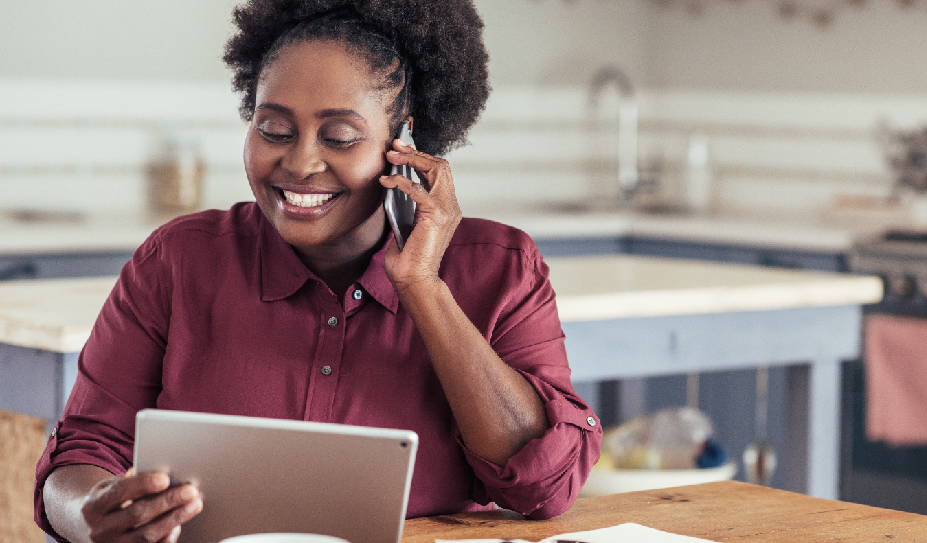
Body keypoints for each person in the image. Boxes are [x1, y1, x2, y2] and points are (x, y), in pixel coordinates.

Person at [35, 1, 602, 542]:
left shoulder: (501, 269)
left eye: (340, 137)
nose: (301, 164)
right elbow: (81, 453)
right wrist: (90, 516)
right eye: (274, 130)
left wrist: (423, 288)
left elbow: (545, 486)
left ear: (403, 143)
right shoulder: (178, 262)